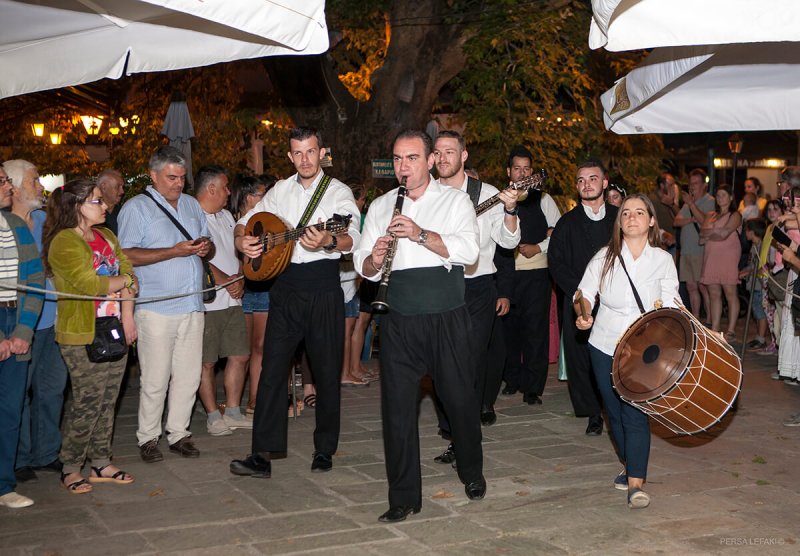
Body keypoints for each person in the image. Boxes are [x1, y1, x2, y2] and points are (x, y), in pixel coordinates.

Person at [354, 129, 484, 522]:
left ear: (429, 161)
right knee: (396, 411)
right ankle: (403, 495)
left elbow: (469, 252)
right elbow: (363, 265)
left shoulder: (456, 201)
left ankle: (472, 471)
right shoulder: (380, 207)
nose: (403, 167)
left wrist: (420, 233)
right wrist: (375, 259)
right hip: (398, 319)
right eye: (397, 159)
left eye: (411, 158)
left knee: (460, 401)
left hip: (446, 315)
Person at [230, 126, 360, 478]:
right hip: (284, 287)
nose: (305, 159)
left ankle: (324, 449)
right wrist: (243, 242)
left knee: (327, 370)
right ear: (290, 156)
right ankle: (262, 454)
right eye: (298, 153)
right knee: (272, 369)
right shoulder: (278, 191)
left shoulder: (338, 193)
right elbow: (245, 222)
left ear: (322, 152)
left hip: (322, 286)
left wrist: (330, 241)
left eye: (311, 151)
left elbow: (353, 237)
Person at [575, 193, 680, 509]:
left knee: (635, 411)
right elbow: (583, 293)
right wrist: (583, 312)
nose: (631, 217)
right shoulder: (603, 257)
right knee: (614, 411)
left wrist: (699, 331)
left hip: (643, 348)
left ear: (651, 221)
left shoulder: (662, 260)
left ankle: (637, 482)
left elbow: (673, 302)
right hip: (604, 343)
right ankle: (629, 463)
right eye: (625, 213)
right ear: (620, 222)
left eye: (639, 212)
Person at [118, 146, 212, 463]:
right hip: (155, 307)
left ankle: (179, 433)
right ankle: (148, 437)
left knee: (188, 376)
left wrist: (204, 248)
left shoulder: (191, 205)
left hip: (192, 304)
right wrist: (173, 252)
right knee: (156, 378)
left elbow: (205, 242)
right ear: (153, 175)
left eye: (182, 177)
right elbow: (126, 255)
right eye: (171, 177)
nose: (178, 184)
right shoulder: (136, 208)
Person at [43, 179, 137, 494]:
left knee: (109, 398)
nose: (105, 206)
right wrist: (123, 281)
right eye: (97, 201)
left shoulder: (106, 236)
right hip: (81, 332)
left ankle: (100, 460)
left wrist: (127, 314)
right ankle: (70, 466)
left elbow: (132, 278)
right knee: (86, 399)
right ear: (76, 205)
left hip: (113, 327)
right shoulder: (64, 242)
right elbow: (89, 284)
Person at [431, 130, 519, 465]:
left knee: (467, 365)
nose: (443, 159)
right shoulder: (427, 193)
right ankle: (454, 430)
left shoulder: (489, 194)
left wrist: (510, 211)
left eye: (449, 152)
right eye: (437, 153)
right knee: (439, 366)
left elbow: (508, 243)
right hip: (437, 286)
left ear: (464, 156)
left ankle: (463, 440)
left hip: (477, 286)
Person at [3, 159, 67, 484]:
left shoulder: (45, 221)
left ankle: (47, 453)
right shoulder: (5, 226)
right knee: (19, 394)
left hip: (53, 318)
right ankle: (19, 457)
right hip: (23, 322)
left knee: (52, 389)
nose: (40, 187)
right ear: (12, 186)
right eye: (34, 181)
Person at [549, 159, 618, 436]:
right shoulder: (566, 223)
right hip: (579, 301)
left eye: (592, 179)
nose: (586, 184)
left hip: (615, 302)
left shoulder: (619, 217)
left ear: (604, 183)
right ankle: (593, 413)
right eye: (581, 180)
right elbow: (556, 263)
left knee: (616, 355)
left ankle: (617, 406)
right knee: (581, 359)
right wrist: (581, 293)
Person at [500, 145, 561, 405]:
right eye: (517, 168)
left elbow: (559, 233)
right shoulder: (500, 199)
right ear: (509, 171)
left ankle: (533, 388)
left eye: (526, 169)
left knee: (535, 332)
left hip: (537, 274)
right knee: (508, 331)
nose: (522, 173)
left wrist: (539, 246)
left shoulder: (544, 199)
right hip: (507, 275)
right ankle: (512, 379)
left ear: (532, 172)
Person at [195, 166, 252, 436]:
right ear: (212, 189)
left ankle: (233, 411)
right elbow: (198, 257)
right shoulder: (193, 216)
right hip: (209, 301)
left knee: (240, 354)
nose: (230, 192)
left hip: (233, 299)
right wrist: (228, 281)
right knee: (206, 361)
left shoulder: (228, 215)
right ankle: (212, 415)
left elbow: (237, 252)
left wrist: (240, 277)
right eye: (226, 187)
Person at [0, 167, 43, 508]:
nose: (8, 186)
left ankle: (4, 485)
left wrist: (23, 331)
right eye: (1, 181)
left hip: (17, 318)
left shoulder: (17, 226)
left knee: (10, 408)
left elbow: (35, 279)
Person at [228, 174, 274, 415]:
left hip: (265, 288)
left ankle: (255, 399)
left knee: (260, 346)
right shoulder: (231, 221)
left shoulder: (268, 221)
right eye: (261, 194)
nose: (266, 198)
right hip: (241, 290)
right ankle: (234, 401)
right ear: (249, 197)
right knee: (241, 350)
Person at [699, 184, 742, 343]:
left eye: (724, 195)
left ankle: (731, 330)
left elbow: (724, 234)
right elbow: (701, 238)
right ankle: (715, 329)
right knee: (714, 294)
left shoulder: (735, 215)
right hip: (711, 256)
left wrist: (709, 233)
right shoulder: (711, 215)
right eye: (718, 195)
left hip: (728, 256)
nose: (720, 198)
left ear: (731, 197)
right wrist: (711, 233)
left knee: (730, 293)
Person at [674, 168, 714, 321]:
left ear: (704, 185)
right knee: (691, 287)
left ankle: (710, 319)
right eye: (691, 183)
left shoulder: (710, 201)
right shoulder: (688, 204)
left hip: (701, 250)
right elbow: (676, 221)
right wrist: (690, 219)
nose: (692, 186)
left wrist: (691, 205)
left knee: (704, 287)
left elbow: (705, 220)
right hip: (686, 251)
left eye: (696, 183)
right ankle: (696, 319)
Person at [739, 219, 769, 350]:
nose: (745, 232)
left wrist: (748, 272)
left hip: (759, 284)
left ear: (752, 231)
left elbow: (763, 266)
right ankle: (758, 336)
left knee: (760, 311)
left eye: (746, 230)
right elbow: (752, 263)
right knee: (756, 310)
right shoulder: (754, 247)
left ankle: (761, 338)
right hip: (753, 284)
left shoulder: (762, 246)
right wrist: (744, 271)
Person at [96, 169, 125, 235]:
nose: (122, 191)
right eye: (118, 187)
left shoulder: (124, 211)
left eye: (122, 187)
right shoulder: (91, 213)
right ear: (103, 187)